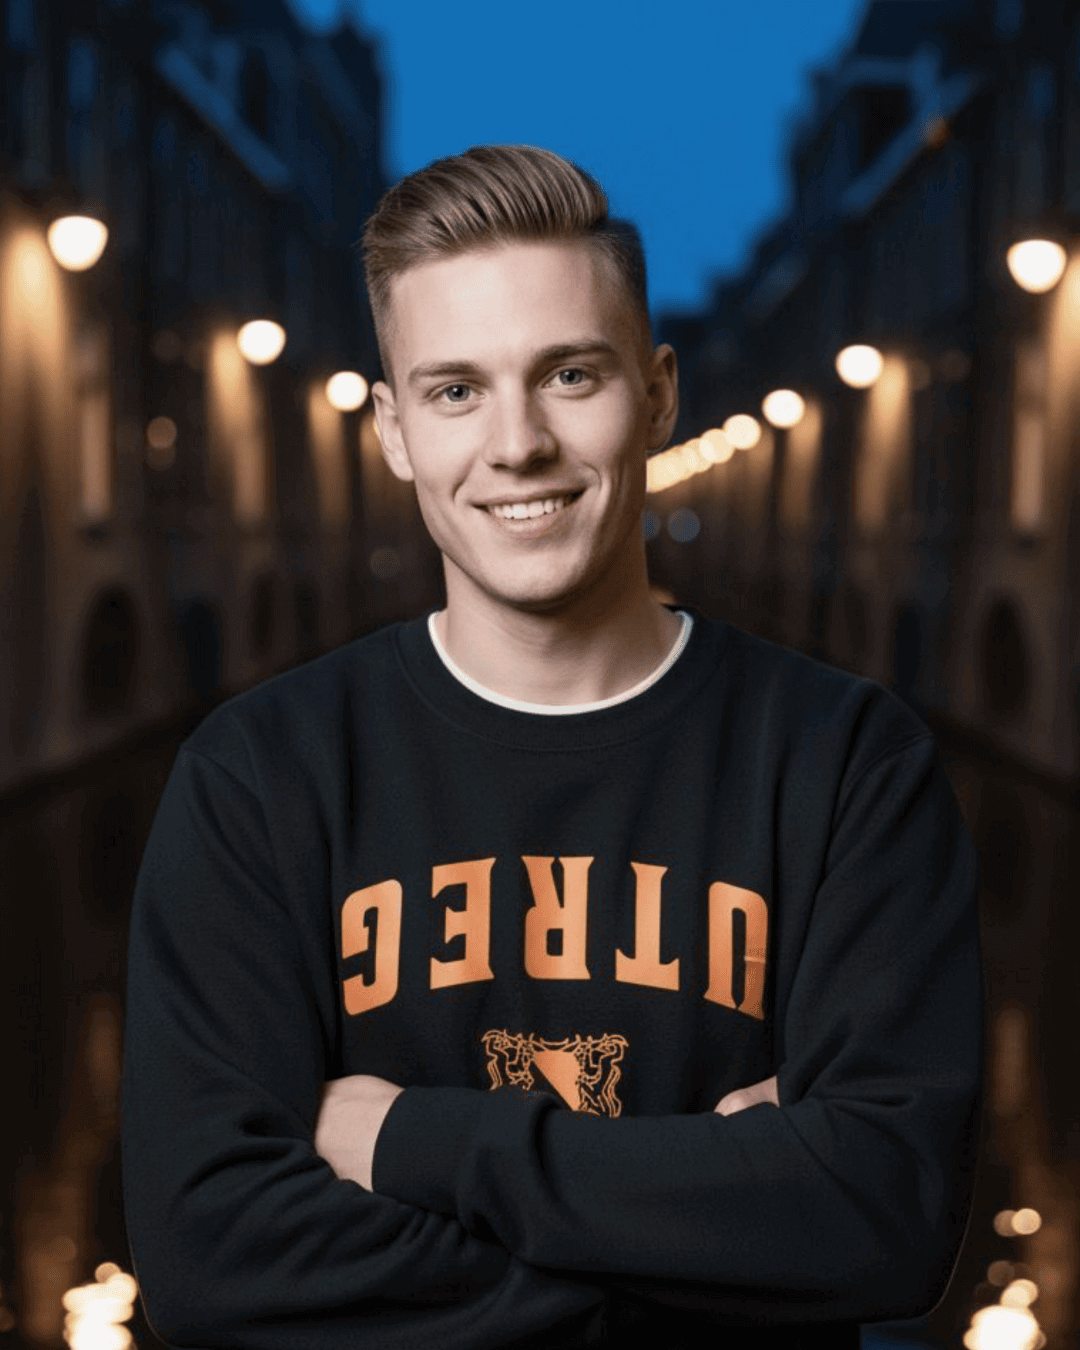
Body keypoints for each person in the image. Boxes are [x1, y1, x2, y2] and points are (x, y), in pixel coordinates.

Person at [121, 144, 982, 1350]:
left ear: (660, 392)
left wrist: (409, 1142)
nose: (517, 444)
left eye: (570, 375)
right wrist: (721, 1223)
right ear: (396, 433)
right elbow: (210, 1262)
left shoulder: (846, 763)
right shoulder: (260, 776)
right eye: (455, 390)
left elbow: (888, 1217)